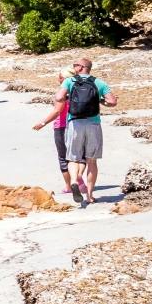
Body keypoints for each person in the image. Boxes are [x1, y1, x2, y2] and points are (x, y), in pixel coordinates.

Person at [48, 57, 116, 205]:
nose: (74, 67)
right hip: (93, 123)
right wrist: (100, 100)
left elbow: (59, 97)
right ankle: (90, 196)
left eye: (75, 65)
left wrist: (69, 96)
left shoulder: (69, 81)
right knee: (92, 161)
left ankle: (74, 181)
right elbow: (112, 102)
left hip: (75, 123)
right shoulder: (99, 82)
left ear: (81, 67)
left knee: (73, 158)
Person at [30, 79, 73, 197]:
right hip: (75, 126)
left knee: (63, 157)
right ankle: (79, 182)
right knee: (76, 156)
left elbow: (57, 111)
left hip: (61, 127)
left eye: (60, 77)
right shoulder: (78, 92)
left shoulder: (62, 94)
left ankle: (69, 186)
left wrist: (42, 123)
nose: (58, 79)